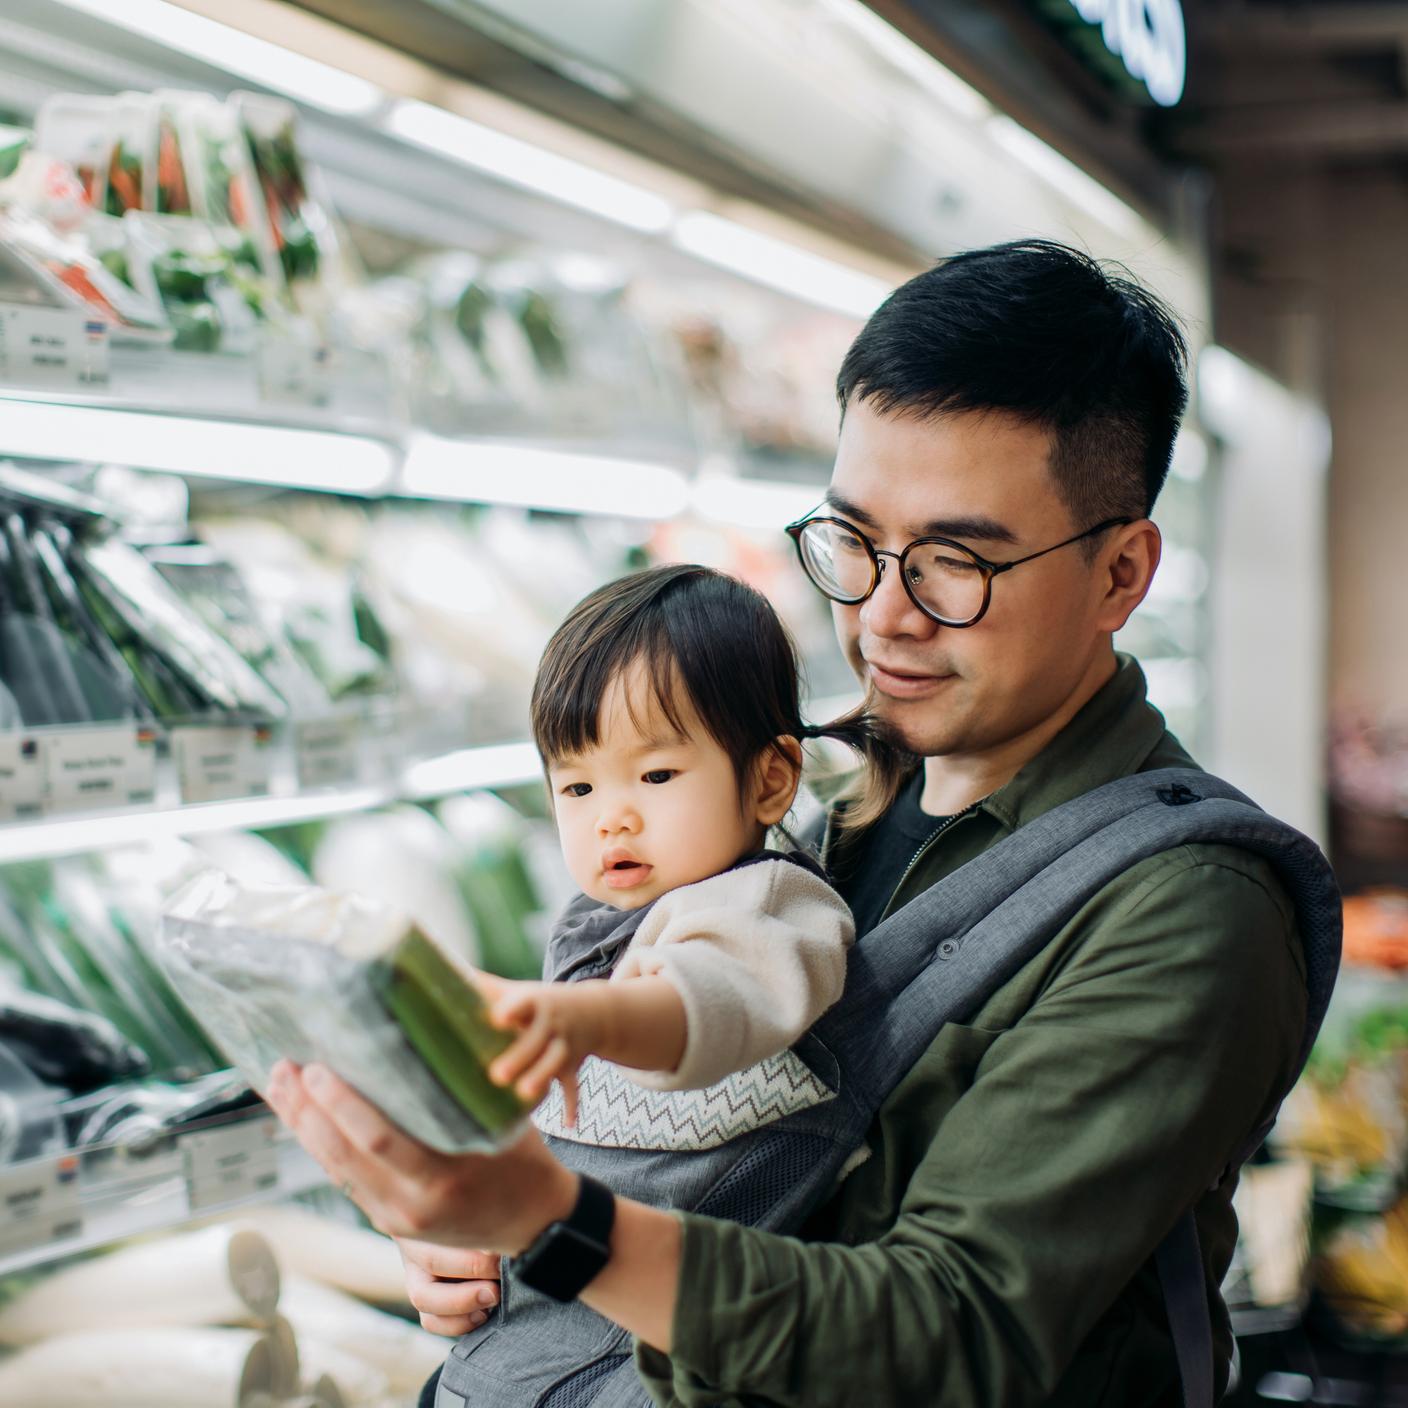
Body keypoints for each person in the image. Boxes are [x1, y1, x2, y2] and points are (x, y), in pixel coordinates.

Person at [266, 239, 1310, 1406]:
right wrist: (488, 1242)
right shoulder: (821, 798)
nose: (881, 617)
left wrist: (562, 1229)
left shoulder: (1188, 909)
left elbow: (949, 1334)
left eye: (955, 564)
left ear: (1121, 574)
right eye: (854, 543)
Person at [479, 562, 895, 1128]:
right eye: (578, 787)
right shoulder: (596, 914)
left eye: (656, 776)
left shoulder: (772, 904)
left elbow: (705, 997)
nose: (611, 820)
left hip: (712, 1207)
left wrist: (591, 1018)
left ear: (769, 781)